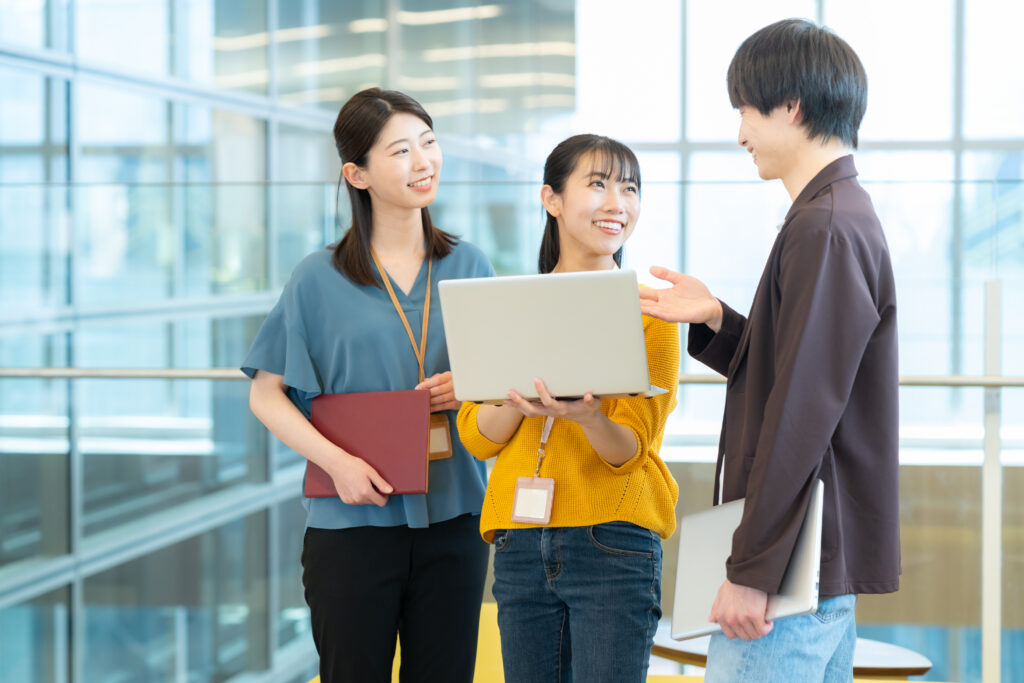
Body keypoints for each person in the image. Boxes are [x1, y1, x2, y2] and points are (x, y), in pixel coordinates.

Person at [639, 19, 900, 683]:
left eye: (745, 111)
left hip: (789, 571)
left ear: (790, 106)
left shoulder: (825, 225)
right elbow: (799, 374)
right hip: (810, 561)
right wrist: (718, 318)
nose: (740, 134)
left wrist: (752, 571)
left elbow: (800, 412)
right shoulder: (834, 214)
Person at [242, 88, 493, 683]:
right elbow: (265, 393)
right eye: (401, 151)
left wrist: (472, 385)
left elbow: (504, 382)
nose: (423, 161)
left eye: (429, 143)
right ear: (357, 174)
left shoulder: (471, 265)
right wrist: (338, 465)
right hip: (352, 525)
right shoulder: (316, 278)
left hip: (455, 520)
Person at [456, 134, 680, 682]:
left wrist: (588, 417)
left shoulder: (651, 314)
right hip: (518, 540)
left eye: (630, 189)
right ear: (551, 198)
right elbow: (477, 437)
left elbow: (630, 451)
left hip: (612, 539)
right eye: (598, 184)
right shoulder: (506, 304)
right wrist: (520, 403)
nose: (617, 204)